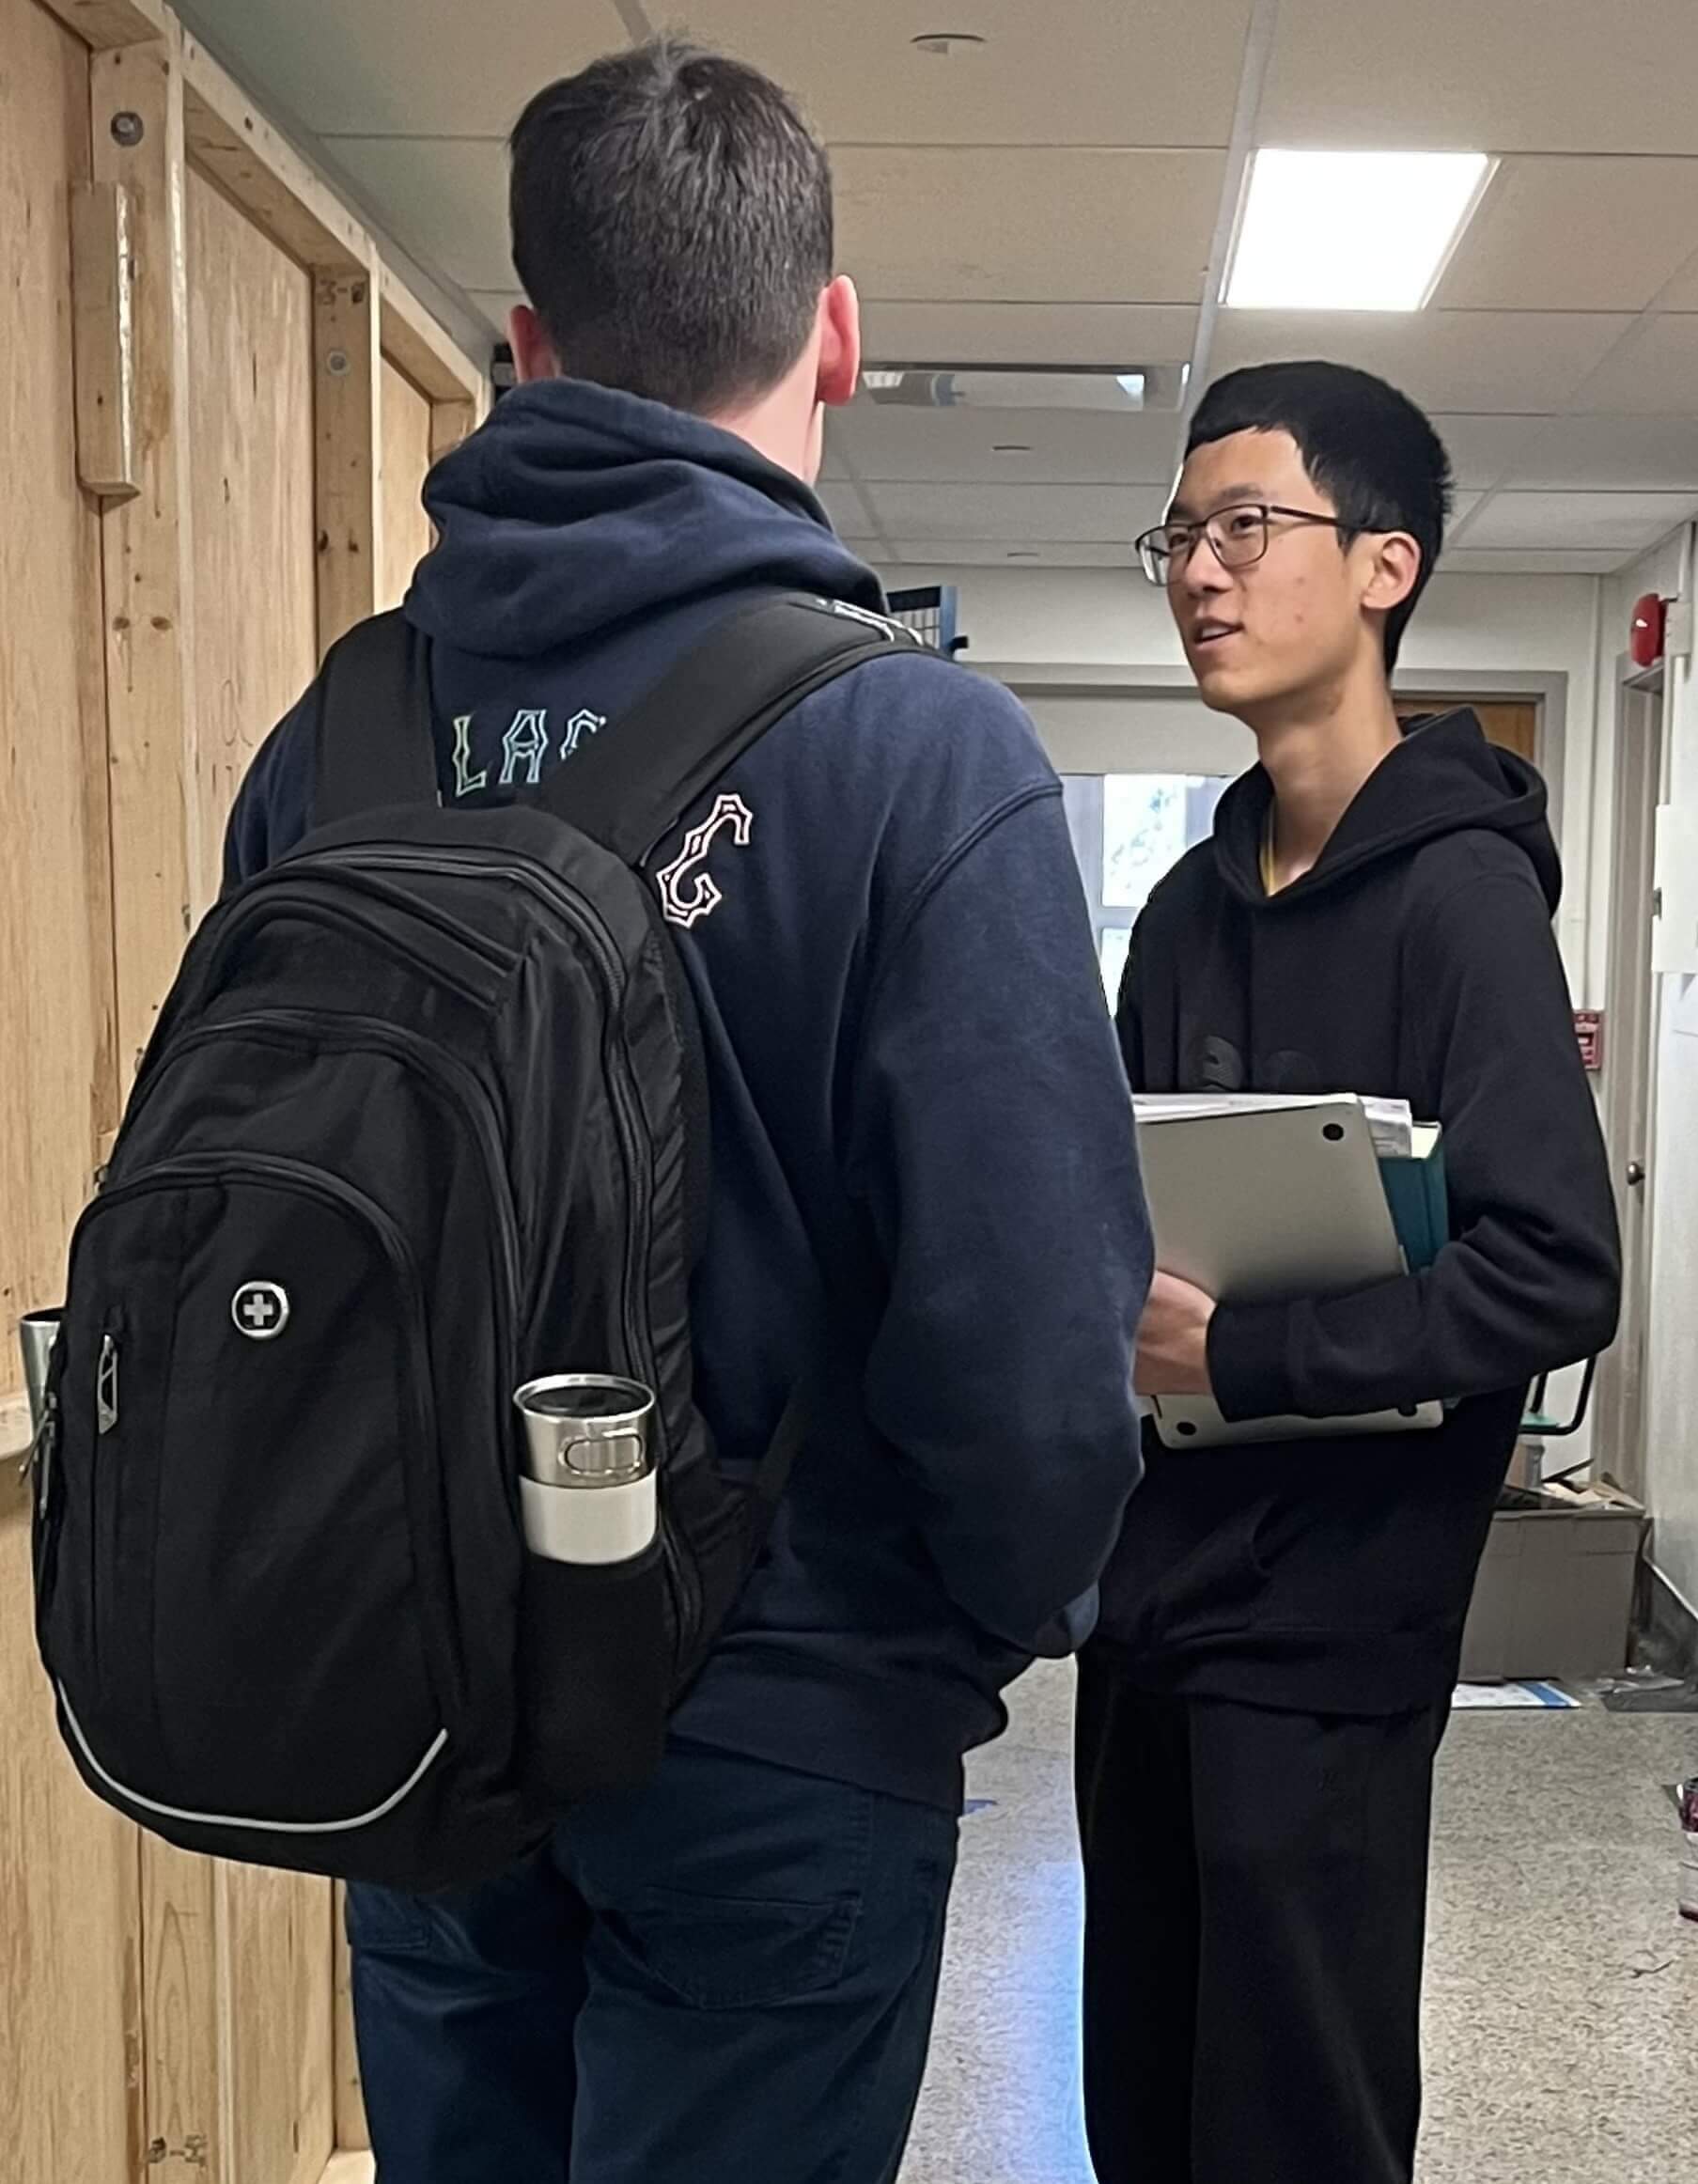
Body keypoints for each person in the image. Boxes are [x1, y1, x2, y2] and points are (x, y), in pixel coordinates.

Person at [225, 40, 1148, 2184]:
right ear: (835, 331)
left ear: (528, 346)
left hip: (422, 1708)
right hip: (784, 1733)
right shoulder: (919, 759)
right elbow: (1034, 1379)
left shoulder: (341, 733)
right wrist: (934, 1656)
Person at [1076, 360, 1621, 2184]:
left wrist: (1246, 1352)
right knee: (1143, 2101)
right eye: (1179, 535)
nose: (1200, 575)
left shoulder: (1460, 897)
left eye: (1248, 526)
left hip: (1330, 1641)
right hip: (1149, 1620)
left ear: (1383, 565)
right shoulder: (1179, 909)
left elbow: (1551, 1270)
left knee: (1291, 2122)